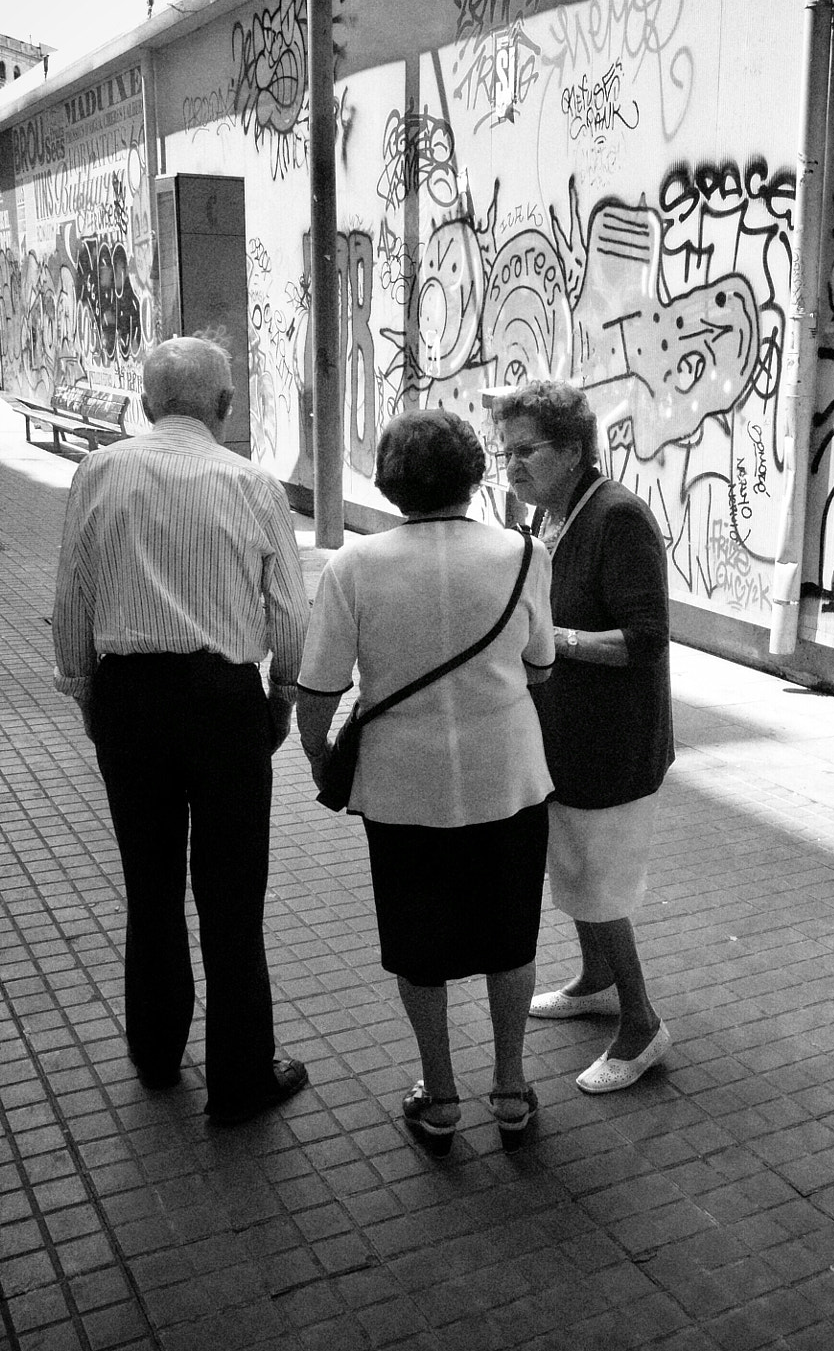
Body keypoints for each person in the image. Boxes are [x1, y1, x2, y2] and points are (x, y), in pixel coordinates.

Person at [51, 335, 312, 1126]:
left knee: (150, 883)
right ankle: (240, 1078)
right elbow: (290, 613)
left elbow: (73, 598)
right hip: (225, 696)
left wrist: (88, 693)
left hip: (131, 698)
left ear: (145, 401)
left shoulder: (99, 471)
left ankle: (158, 1052)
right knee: (233, 895)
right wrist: (282, 697)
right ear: (226, 409)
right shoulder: (254, 483)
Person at [296, 410, 556, 1156]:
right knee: (510, 938)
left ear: (390, 479)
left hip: (401, 788)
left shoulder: (353, 566)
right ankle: (510, 1087)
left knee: (419, 944)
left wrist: (322, 759)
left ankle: (439, 1094)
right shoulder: (522, 554)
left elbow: (318, 692)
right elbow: (540, 665)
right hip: (508, 777)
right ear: (475, 475)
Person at [502, 380, 676, 1094]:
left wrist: (554, 637)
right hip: (564, 735)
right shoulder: (548, 513)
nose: (510, 464)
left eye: (526, 450)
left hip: (613, 744)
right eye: (503, 450)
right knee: (572, 867)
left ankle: (641, 1025)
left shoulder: (618, 517)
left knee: (599, 883)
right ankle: (595, 975)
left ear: (573, 450)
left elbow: (645, 639)